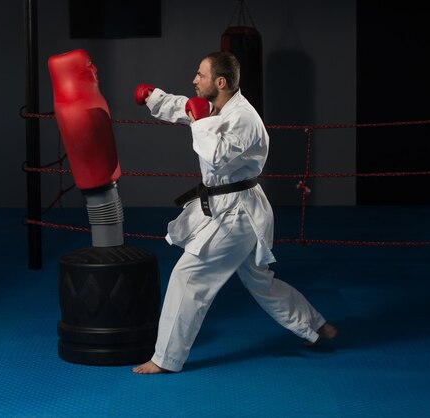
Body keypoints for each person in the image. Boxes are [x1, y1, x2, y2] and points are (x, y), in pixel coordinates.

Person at [132, 52, 337, 374]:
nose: (194, 80)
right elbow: (186, 107)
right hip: (230, 205)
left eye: (200, 75)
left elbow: (215, 156)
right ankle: (318, 326)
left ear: (221, 82)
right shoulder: (217, 106)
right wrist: (154, 98)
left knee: (189, 276)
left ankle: (165, 359)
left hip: (238, 213)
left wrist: (200, 121)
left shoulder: (243, 118)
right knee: (260, 282)